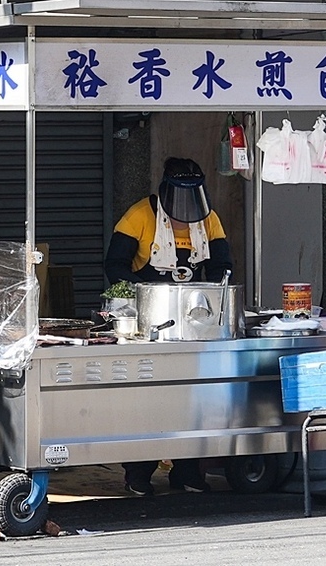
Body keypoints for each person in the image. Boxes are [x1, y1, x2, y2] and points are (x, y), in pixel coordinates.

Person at [104, 157, 232, 496]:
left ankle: (188, 473)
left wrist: (210, 295)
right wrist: (145, 294)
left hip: (194, 324)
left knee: (193, 399)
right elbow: (114, 264)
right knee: (147, 400)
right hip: (148, 324)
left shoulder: (210, 219)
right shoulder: (138, 217)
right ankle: (139, 473)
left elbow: (222, 266)